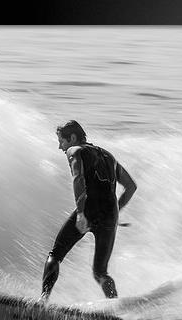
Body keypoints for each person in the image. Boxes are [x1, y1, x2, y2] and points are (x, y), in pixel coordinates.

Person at [41, 120, 137, 301]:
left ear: (73, 138)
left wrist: (80, 212)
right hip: (110, 214)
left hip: (90, 209)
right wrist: (116, 211)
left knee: (55, 255)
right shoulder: (108, 156)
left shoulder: (75, 151)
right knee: (100, 272)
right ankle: (116, 308)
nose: (60, 147)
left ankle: (42, 301)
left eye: (61, 141)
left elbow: (78, 179)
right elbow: (131, 186)